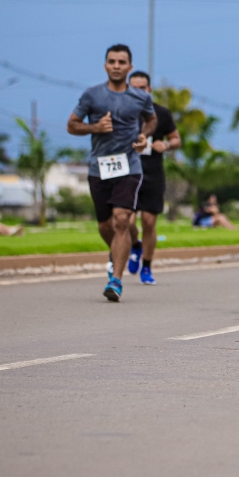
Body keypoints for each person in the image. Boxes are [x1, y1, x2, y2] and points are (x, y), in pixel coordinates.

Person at [67, 43, 157, 302]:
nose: (116, 66)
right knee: (106, 226)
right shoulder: (92, 95)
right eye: (112, 61)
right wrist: (95, 127)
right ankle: (122, 250)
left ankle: (115, 281)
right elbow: (72, 125)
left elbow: (151, 120)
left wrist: (143, 135)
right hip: (100, 168)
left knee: (121, 219)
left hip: (129, 166)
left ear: (129, 67)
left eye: (121, 62)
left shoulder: (140, 97)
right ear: (105, 65)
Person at [125, 71, 179, 285]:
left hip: (153, 173)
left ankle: (146, 265)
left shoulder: (161, 114)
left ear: (149, 90)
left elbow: (176, 139)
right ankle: (135, 245)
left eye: (143, 88)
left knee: (149, 222)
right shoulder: (121, 112)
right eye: (134, 88)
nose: (139, 92)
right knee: (126, 220)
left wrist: (165, 144)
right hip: (128, 172)